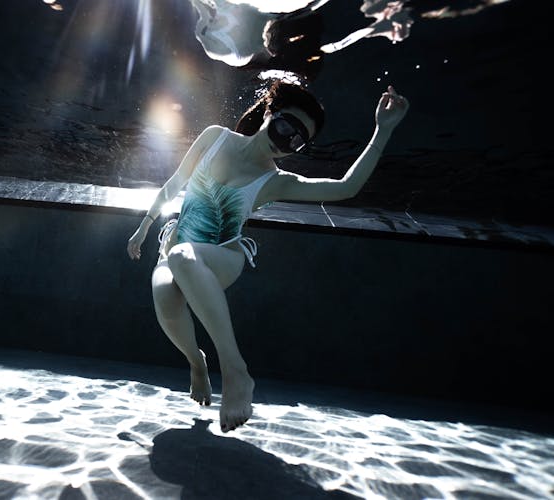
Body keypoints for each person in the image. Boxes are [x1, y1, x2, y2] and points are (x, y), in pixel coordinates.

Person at [127, 81, 409, 432]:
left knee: (185, 256)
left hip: (222, 256)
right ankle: (197, 363)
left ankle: (235, 373)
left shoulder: (276, 181)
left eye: (297, 140)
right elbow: (175, 182)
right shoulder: (215, 137)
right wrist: (145, 225)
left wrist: (383, 130)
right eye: (285, 127)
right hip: (176, 247)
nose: (285, 141)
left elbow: (345, 187)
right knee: (165, 298)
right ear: (269, 112)